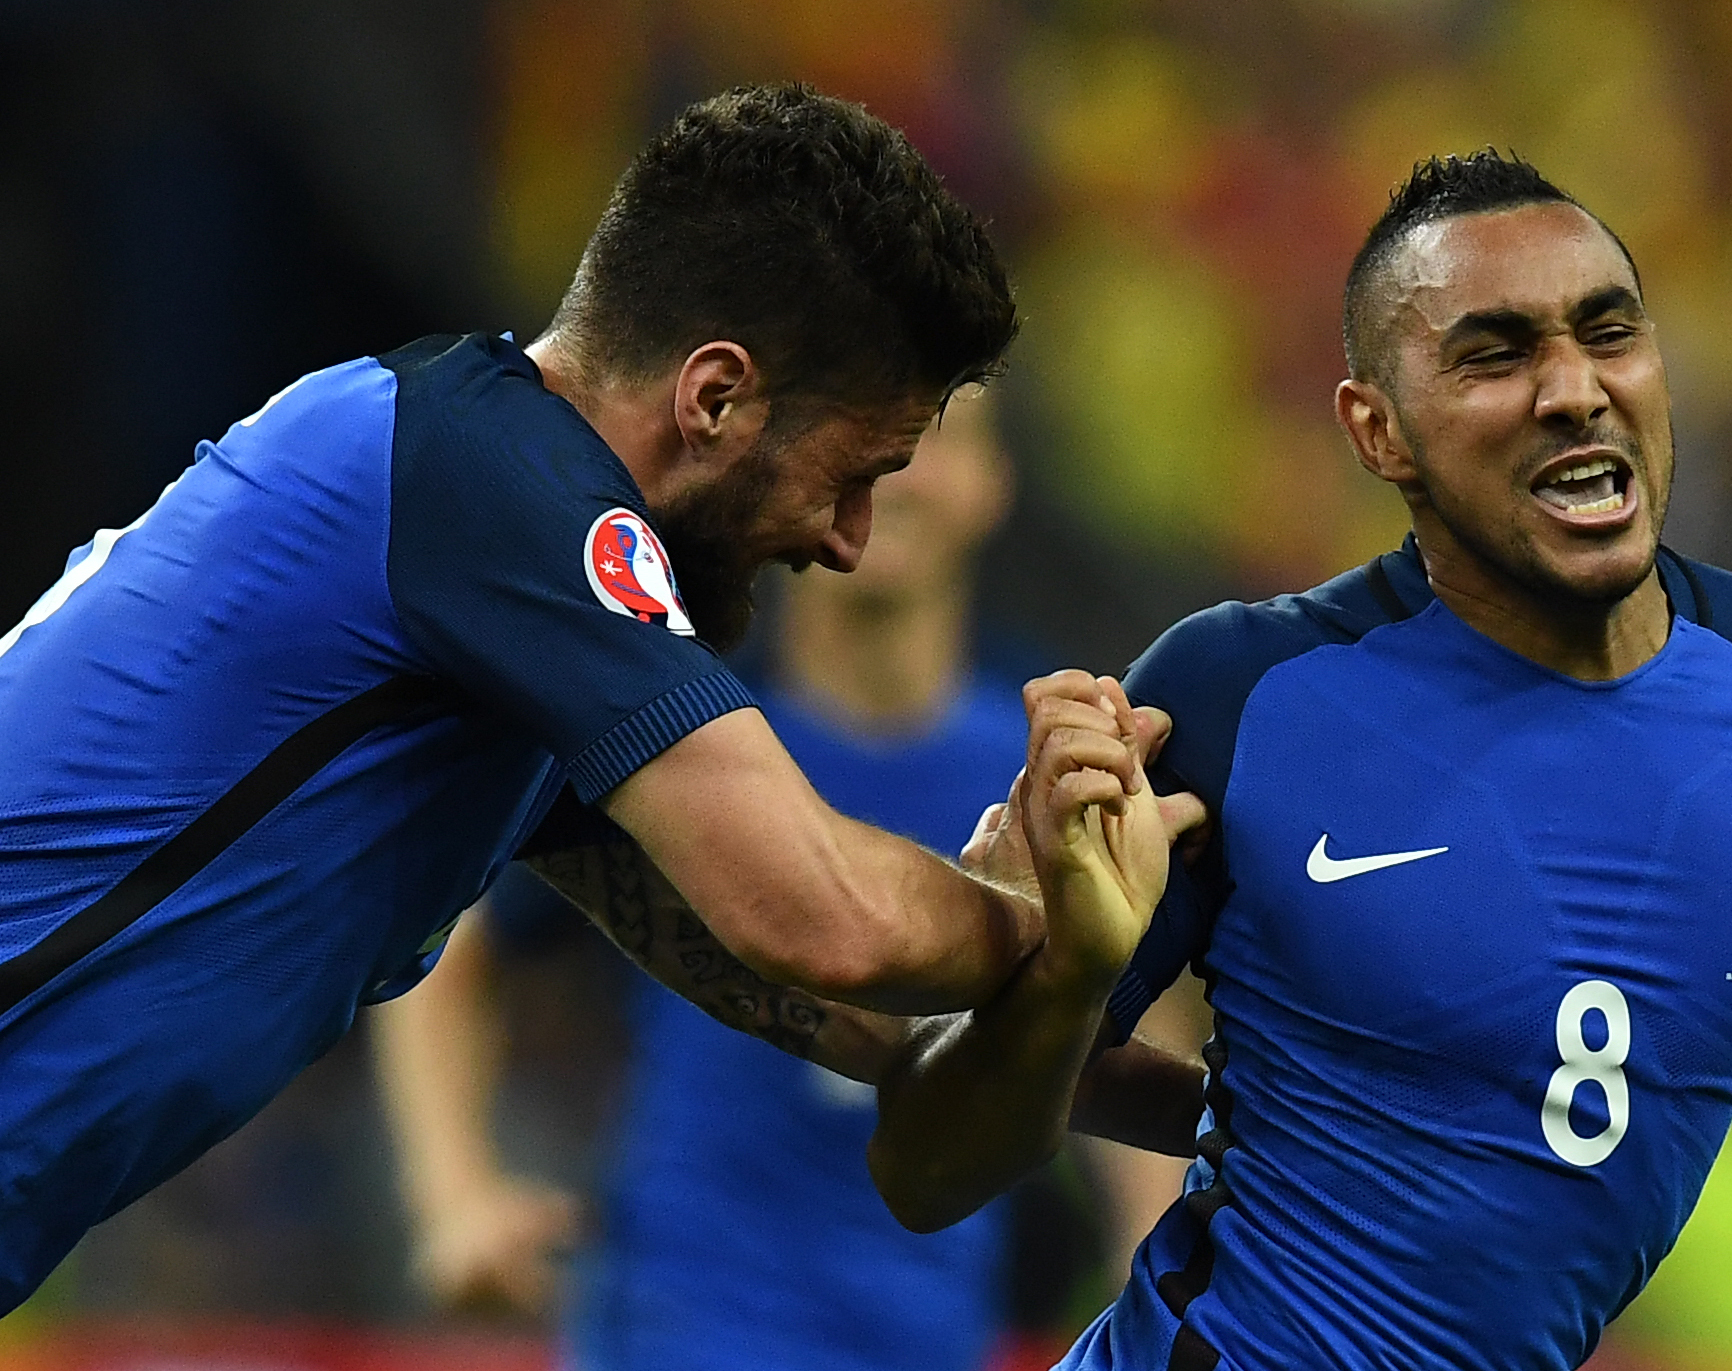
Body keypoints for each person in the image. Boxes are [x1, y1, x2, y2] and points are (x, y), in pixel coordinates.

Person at [0, 84, 1166, 1311]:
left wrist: (1265, 1092)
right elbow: (824, 917)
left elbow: (859, 1021)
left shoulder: (487, 603)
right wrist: (1052, 913)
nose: (849, 542)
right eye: (854, 474)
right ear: (713, 398)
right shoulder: (498, 490)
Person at [863, 151, 1732, 1371]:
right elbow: (927, 1169)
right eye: (1495, 353)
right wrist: (1064, 978)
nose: (1575, 389)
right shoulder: (1233, 704)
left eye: (1608, 332)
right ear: (1378, 432)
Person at [374, 400, 1194, 1370]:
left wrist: (1161, 1296)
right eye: (871, 434)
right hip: (681, 1333)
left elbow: (1124, 1035)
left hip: (928, 1343)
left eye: (937, 438)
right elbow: (449, 944)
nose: (898, 472)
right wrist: (453, 1199)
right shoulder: (677, 734)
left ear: (993, 483)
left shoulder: (1058, 763)